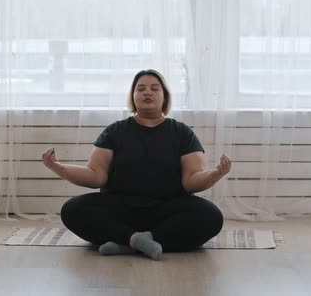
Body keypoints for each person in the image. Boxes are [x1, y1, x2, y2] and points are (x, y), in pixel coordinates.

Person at [41, 69, 231, 260]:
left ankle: (129, 242)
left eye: (154, 89)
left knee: (211, 216)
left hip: (166, 210)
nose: (147, 92)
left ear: (164, 97)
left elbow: (191, 181)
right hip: (121, 209)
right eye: (141, 89)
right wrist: (60, 168)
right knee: (72, 210)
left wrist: (215, 174)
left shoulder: (182, 133)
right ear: (133, 97)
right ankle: (139, 241)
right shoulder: (114, 131)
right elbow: (95, 175)